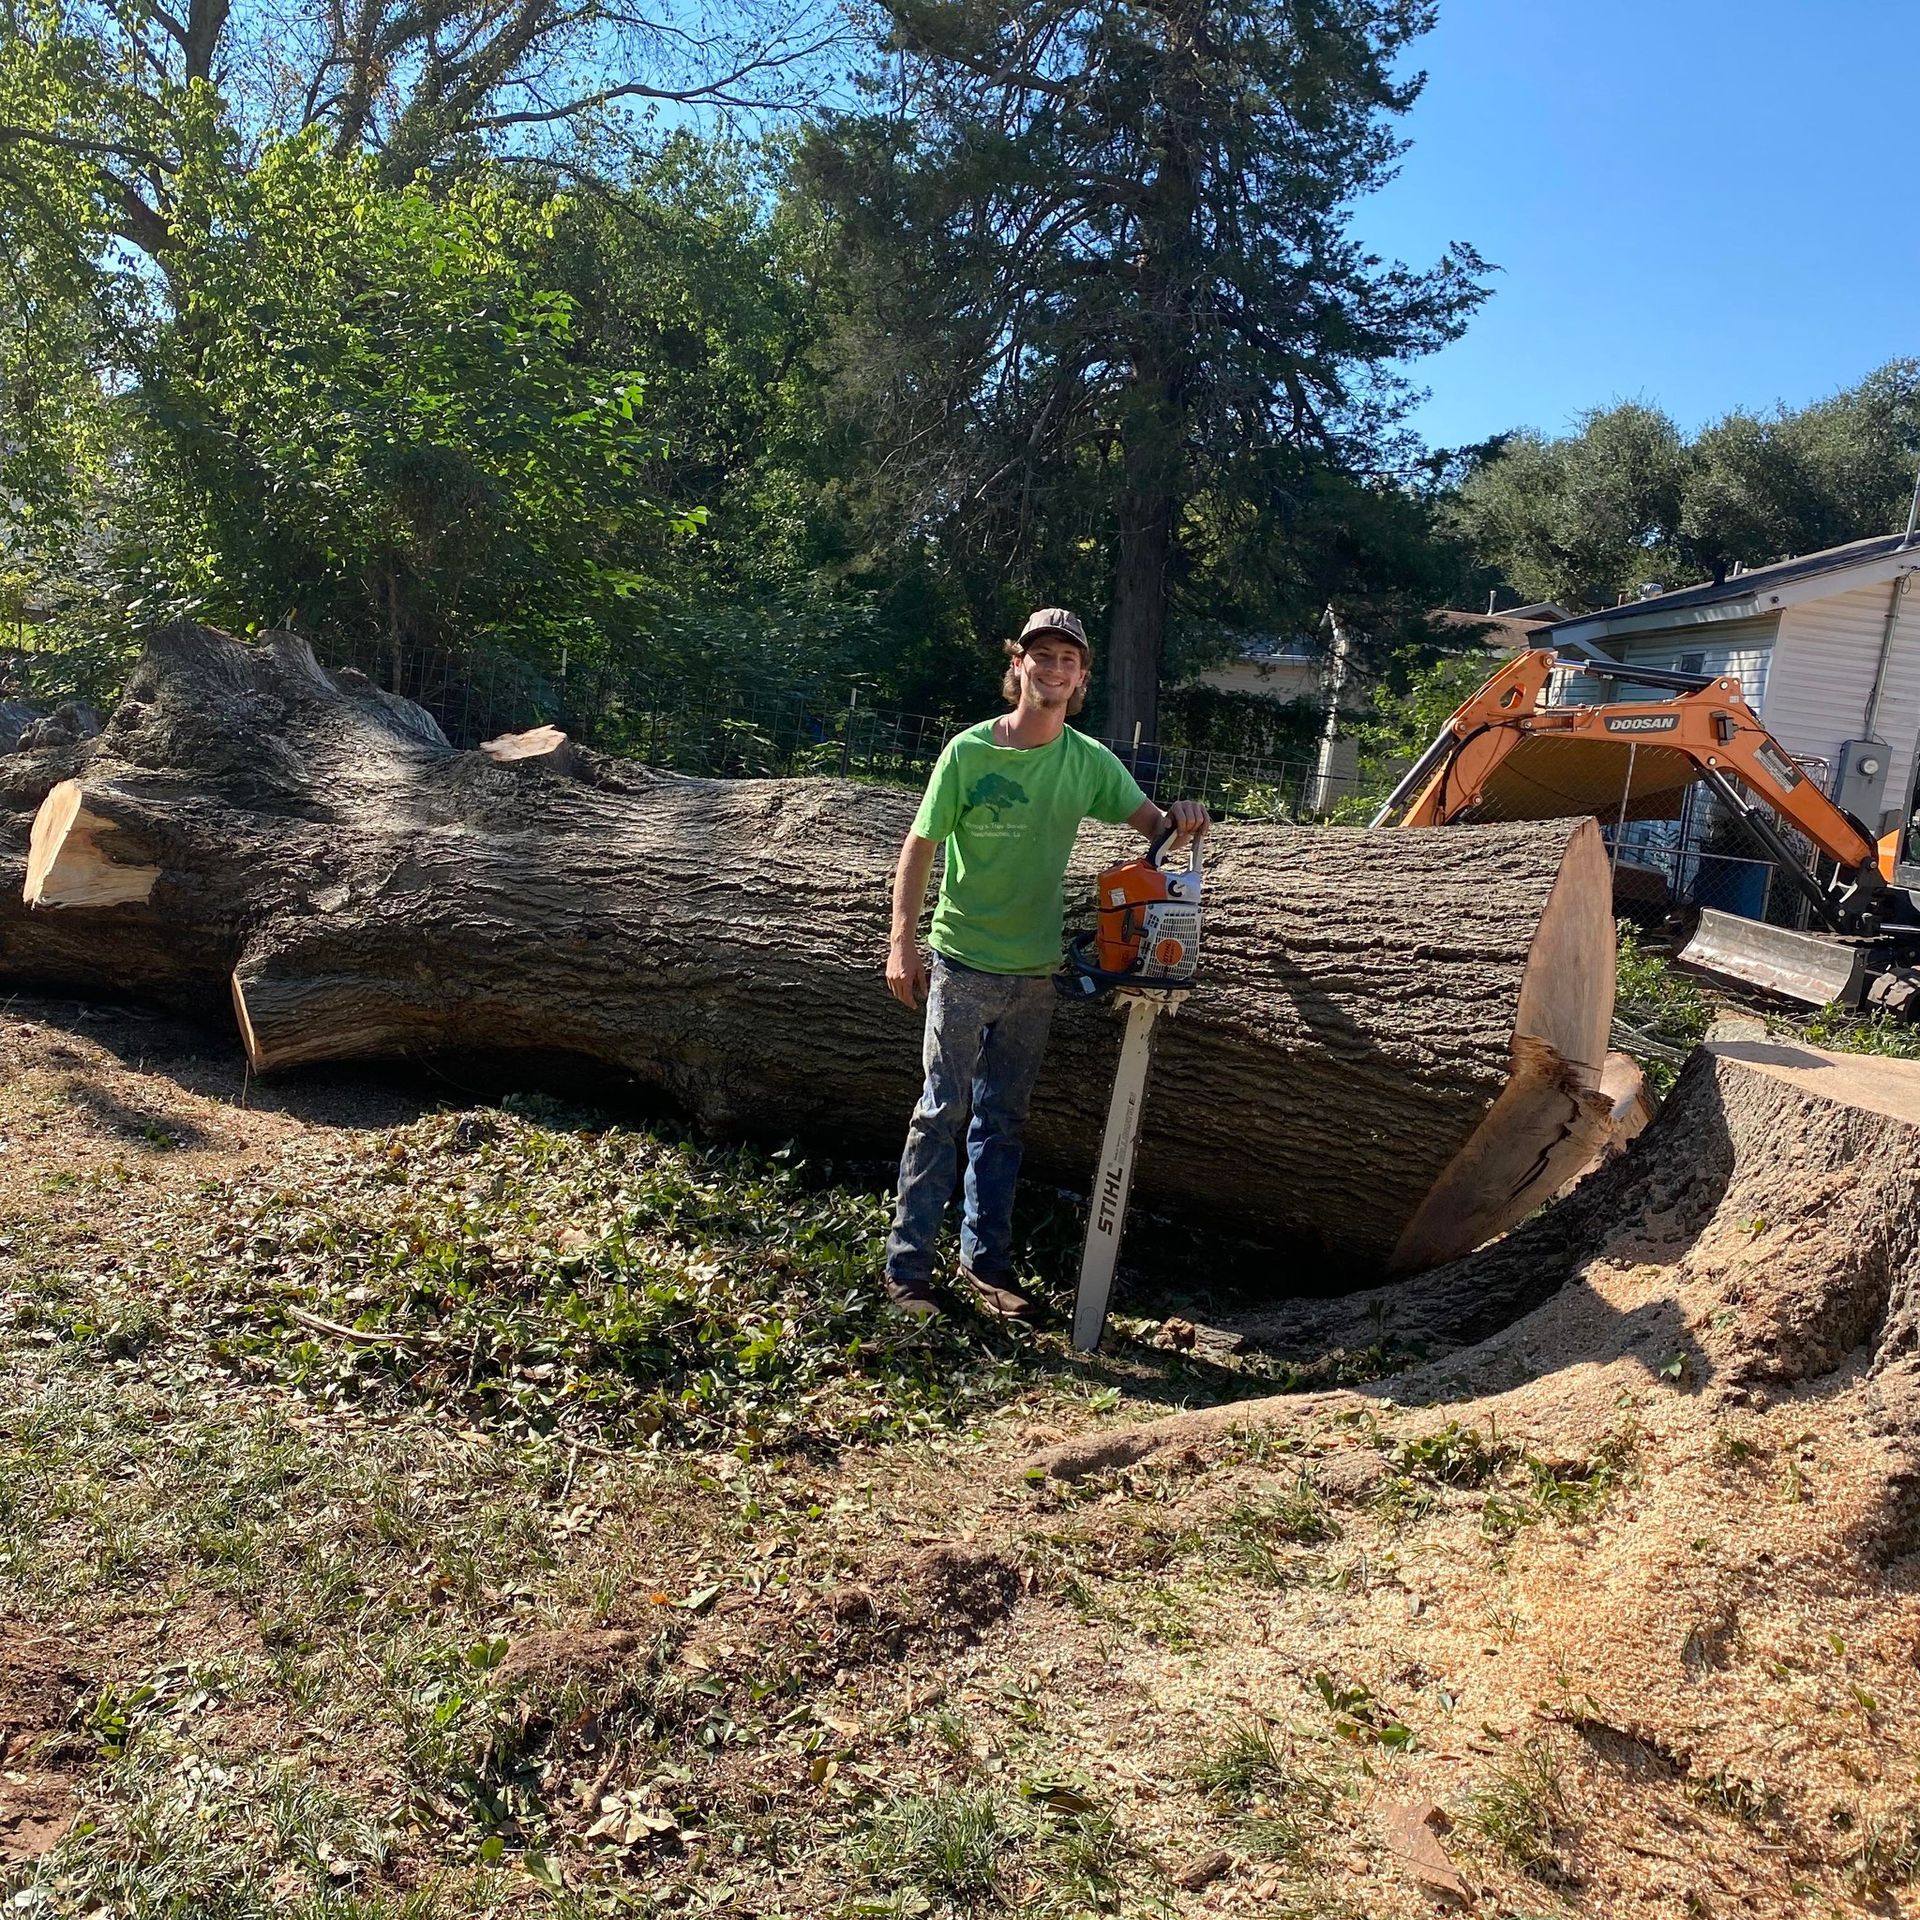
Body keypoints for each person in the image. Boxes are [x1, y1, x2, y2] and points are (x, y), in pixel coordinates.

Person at [883, 607, 1210, 1320]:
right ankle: (906, 1273)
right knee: (941, 1112)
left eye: (1068, 659)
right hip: (963, 962)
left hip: (1036, 975)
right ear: (1018, 665)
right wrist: (901, 941)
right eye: (1042, 656)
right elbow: (918, 847)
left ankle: (986, 1267)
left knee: (1001, 1121)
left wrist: (1183, 817)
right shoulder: (968, 753)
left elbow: (1156, 829)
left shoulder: (1088, 761)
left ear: (1081, 677)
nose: (1053, 669)